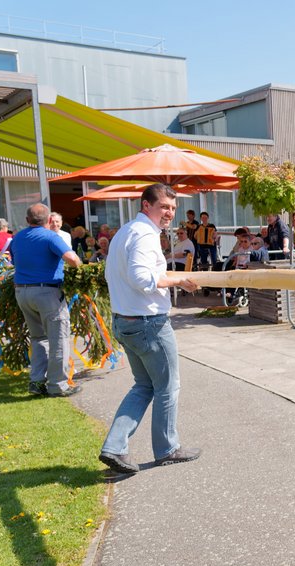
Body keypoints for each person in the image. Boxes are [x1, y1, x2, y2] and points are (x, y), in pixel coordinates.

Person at [98, 183, 201, 474]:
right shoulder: (144, 234)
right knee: (168, 386)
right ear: (146, 205)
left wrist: (173, 277)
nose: (169, 213)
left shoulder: (126, 232)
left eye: (172, 207)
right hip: (148, 323)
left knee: (144, 386)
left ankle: (115, 448)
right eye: (163, 207)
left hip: (125, 320)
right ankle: (168, 448)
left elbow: (114, 274)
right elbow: (142, 278)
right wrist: (179, 281)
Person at [9, 203, 83, 397]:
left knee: (38, 338)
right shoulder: (51, 236)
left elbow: (15, 262)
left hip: (22, 293)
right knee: (58, 338)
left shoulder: (17, 238)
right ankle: (58, 385)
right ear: (50, 220)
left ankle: (36, 382)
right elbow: (73, 260)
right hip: (47, 293)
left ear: (27, 220)